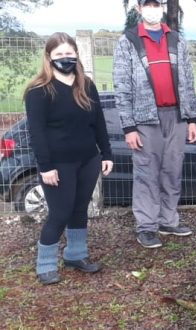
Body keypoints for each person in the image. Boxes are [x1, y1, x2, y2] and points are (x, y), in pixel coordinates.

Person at [23, 32, 114, 285]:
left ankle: (76, 254)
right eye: (59, 54)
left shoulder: (86, 85)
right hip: (58, 164)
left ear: (76, 54)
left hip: (88, 159)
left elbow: (98, 123)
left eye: (69, 53)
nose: (65, 58)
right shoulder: (39, 91)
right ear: (49, 57)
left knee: (79, 209)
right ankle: (46, 264)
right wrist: (46, 167)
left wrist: (106, 154)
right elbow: (37, 133)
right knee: (60, 213)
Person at [113, 0, 196, 248]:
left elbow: (188, 81)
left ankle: (168, 220)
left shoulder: (176, 39)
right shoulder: (128, 41)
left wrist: (192, 118)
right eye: (147, 5)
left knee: (172, 171)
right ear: (139, 9)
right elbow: (122, 86)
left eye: (156, 4)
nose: (152, 9)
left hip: (177, 116)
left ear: (162, 7)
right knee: (146, 173)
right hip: (145, 119)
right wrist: (129, 127)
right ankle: (146, 226)